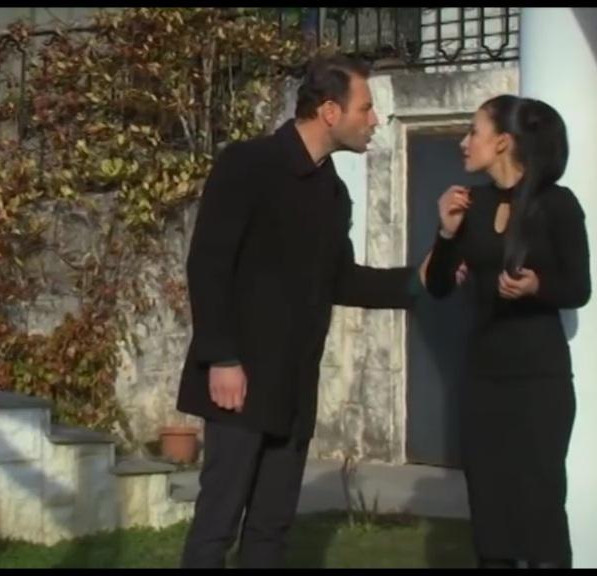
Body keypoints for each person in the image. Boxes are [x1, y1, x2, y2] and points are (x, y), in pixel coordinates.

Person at [177, 54, 421, 568]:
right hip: (238, 384)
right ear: (330, 111)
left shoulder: (333, 192)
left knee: (271, 530)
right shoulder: (247, 163)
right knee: (216, 525)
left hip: (293, 389)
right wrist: (222, 358)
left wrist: (419, 281)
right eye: (366, 107)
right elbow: (208, 263)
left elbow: (342, 280)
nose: (375, 119)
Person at [420, 94, 591, 569]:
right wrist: (446, 233)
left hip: (539, 380)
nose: (464, 142)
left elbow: (579, 287)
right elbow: (438, 286)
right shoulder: (470, 206)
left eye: (473, 131)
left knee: (540, 508)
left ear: (503, 142)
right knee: (490, 510)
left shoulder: (557, 204)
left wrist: (537, 285)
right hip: (483, 380)